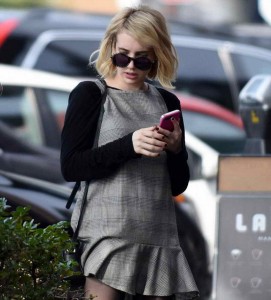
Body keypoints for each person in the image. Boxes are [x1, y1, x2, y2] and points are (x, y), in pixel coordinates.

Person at [61, 5, 199, 300]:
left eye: (143, 60)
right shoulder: (91, 95)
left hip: (157, 236)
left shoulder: (166, 101)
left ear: (157, 56)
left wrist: (175, 150)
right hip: (107, 234)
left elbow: (177, 185)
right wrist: (129, 145)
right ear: (110, 46)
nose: (131, 66)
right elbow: (71, 166)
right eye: (122, 55)